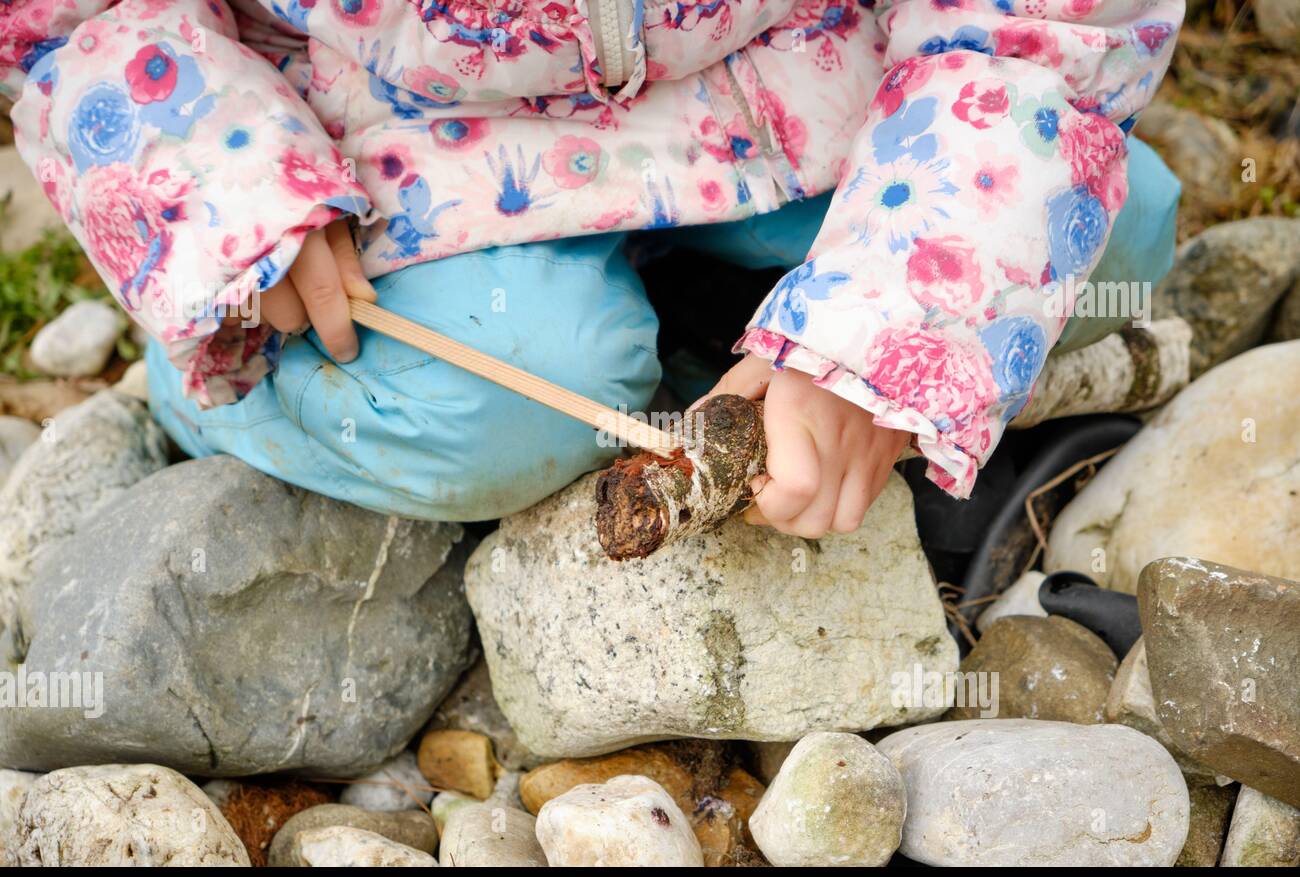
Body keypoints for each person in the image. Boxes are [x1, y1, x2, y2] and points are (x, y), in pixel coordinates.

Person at [1, 0, 1184, 536]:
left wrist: (900, 319)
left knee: (1120, 231)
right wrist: (218, 194)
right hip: (401, 137)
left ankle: (754, 328)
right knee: (486, 413)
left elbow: (1050, 29)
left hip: (786, 79)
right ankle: (229, 361)